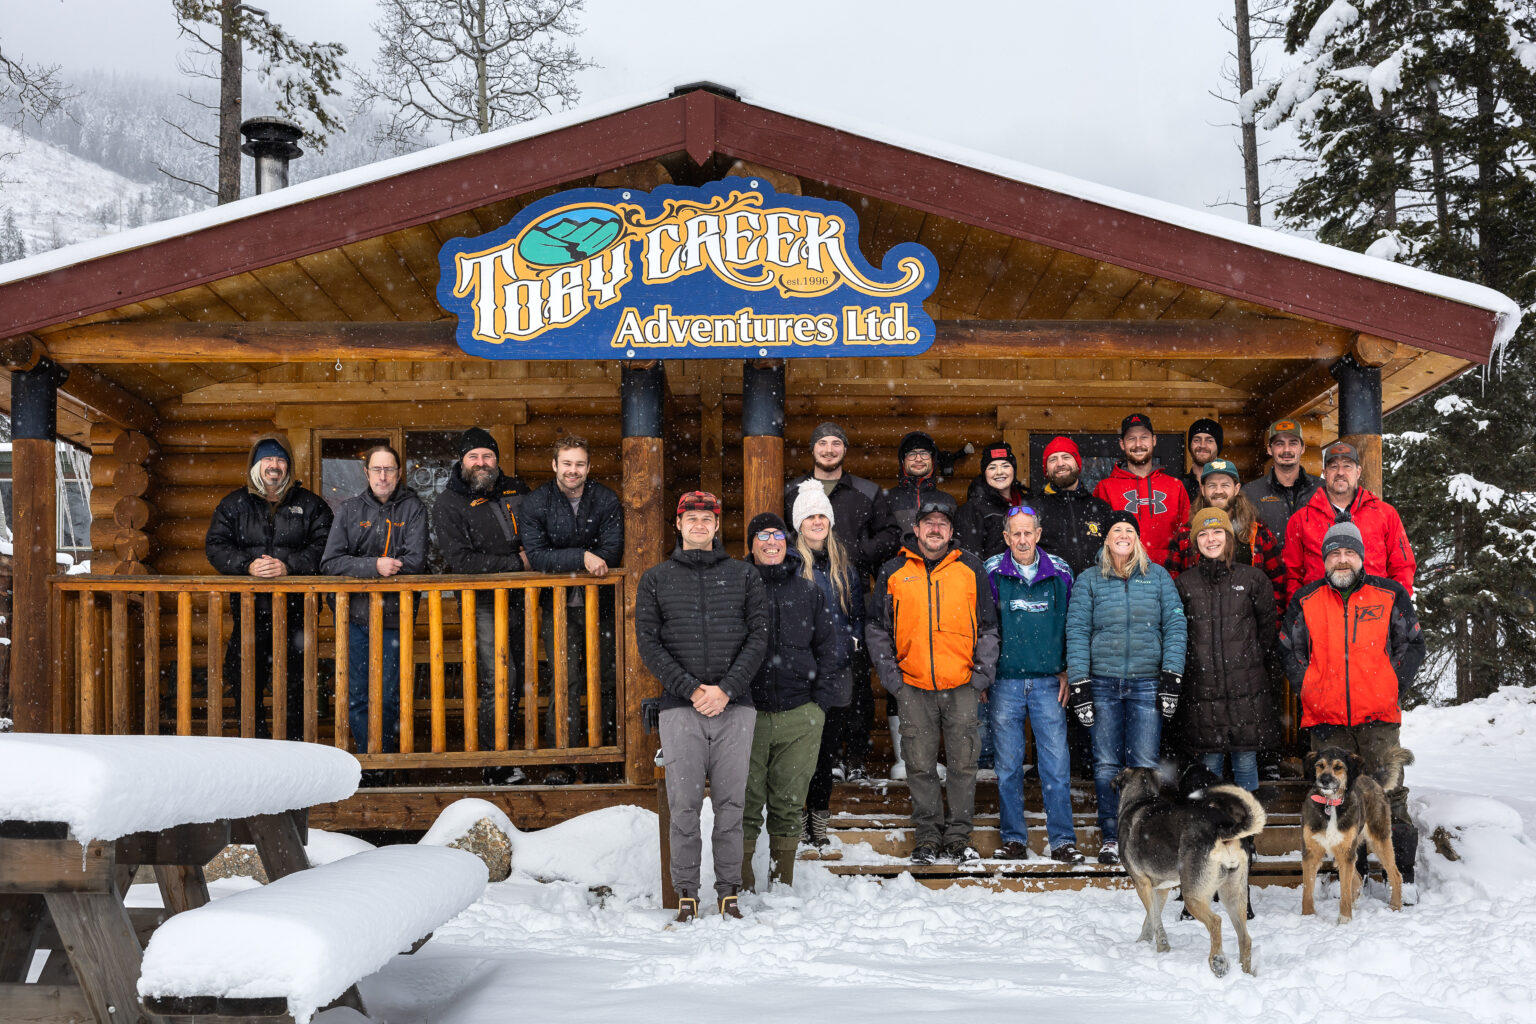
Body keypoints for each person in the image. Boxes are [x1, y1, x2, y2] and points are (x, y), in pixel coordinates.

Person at [635, 491, 769, 923]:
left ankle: (729, 891)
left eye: (705, 519)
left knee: (732, 805)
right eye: (690, 518)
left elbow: (758, 637)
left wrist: (727, 689)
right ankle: (687, 892)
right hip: (680, 708)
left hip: (736, 707)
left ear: (716, 526)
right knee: (684, 806)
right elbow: (649, 644)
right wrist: (692, 689)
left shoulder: (744, 577)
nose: (698, 525)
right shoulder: (656, 579)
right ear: (678, 525)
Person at [1281, 521, 1426, 899]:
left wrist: (1391, 684)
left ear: (1361, 557)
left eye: (1348, 553)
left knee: (1388, 794)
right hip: (1327, 719)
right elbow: (1287, 648)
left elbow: (1413, 644)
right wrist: (1309, 686)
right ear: (1324, 559)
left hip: (1377, 716)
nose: (1341, 560)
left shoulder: (1389, 593)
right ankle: (1354, 876)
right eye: (1334, 553)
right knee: (1334, 797)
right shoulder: (1307, 599)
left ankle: (1404, 877)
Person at [866, 491, 1000, 865]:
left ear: (951, 530)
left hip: (961, 685)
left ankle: (958, 838)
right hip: (913, 686)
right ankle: (927, 837)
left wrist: (981, 676)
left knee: (963, 765)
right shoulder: (895, 571)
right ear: (917, 529)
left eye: (942, 524)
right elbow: (877, 629)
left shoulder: (970, 568)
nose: (936, 529)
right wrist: (894, 679)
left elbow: (990, 627)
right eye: (929, 524)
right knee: (920, 765)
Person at [1065, 511, 1187, 865]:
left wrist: (1171, 677)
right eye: (1115, 530)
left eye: (1128, 530)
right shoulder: (1089, 580)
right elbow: (1077, 632)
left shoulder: (1158, 577)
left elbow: (1175, 629)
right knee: (1105, 764)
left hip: (1148, 683)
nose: (1122, 534)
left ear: (1138, 538)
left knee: (1144, 764)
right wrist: (1080, 684)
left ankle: (1143, 835)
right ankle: (1110, 835)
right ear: (1106, 539)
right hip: (1101, 683)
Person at [782, 422, 899, 781]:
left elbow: (891, 534)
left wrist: (856, 554)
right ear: (812, 449)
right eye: (822, 444)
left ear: (844, 450)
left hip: (852, 592)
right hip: (805, 592)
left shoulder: (865, 491)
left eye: (836, 444)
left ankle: (857, 756)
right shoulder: (793, 491)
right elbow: (782, 532)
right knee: (813, 684)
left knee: (857, 684)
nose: (829, 450)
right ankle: (823, 757)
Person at [205, 433, 332, 740]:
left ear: (288, 466)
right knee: (245, 679)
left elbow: (324, 547)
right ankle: (256, 745)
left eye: (280, 460)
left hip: (297, 615)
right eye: (268, 459)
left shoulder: (311, 505)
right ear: (256, 465)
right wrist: (246, 566)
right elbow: (216, 545)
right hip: (249, 614)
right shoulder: (234, 504)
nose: (274, 466)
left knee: (296, 684)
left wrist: (288, 566)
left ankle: (295, 746)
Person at [740, 512, 839, 892]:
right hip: (748, 714)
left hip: (801, 715)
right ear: (751, 544)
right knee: (746, 806)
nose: (771, 542)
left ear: (787, 540)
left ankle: (782, 886)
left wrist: (819, 705)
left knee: (788, 804)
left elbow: (829, 649)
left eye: (777, 535)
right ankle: (743, 889)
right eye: (762, 536)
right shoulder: (738, 587)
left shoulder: (809, 591)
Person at [518, 435, 625, 781]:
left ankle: (603, 754)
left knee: (606, 677)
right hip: (558, 605)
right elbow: (537, 557)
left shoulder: (606, 499)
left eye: (579, 464)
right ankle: (561, 759)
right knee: (566, 679)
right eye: (567, 463)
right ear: (555, 466)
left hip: (604, 606)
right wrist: (581, 556)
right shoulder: (537, 502)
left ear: (589, 467)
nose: (573, 470)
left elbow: (612, 550)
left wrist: (579, 558)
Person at [984, 505, 1084, 864]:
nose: (1023, 539)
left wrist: (1070, 668)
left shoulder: (1060, 571)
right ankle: (1013, 838)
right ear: (1006, 537)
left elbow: (1075, 624)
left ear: (1038, 534)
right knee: (1008, 767)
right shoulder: (992, 571)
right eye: (1016, 533)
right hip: (1006, 683)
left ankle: (1062, 840)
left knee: (1055, 765)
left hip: (1048, 683)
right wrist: (984, 673)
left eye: (1029, 532)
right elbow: (982, 626)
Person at [431, 427, 530, 781]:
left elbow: (535, 534)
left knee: (518, 677)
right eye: (473, 456)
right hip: (484, 602)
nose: (481, 462)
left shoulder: (516, 490)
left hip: (523, 599)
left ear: (497, 460)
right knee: (498, 676)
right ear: (462, 461)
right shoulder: (448, 503)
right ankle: (494, 760)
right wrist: (515, 563)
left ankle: (509, 750)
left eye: (487, 455)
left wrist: (525, 557)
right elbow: (462, 561)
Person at [320, 445, 428, 756]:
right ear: (366, 473)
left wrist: (378, 567)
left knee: (390, 694)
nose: (383, 476)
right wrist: (373, 566)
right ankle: (368, 758)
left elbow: (416, 561)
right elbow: (330, 562)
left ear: (398, 473)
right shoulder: (350, 510)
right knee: (358, 693)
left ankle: (387, 758)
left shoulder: (413, 509)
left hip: (395, 618)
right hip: (355, 617)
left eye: (389, 469)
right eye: (377, 470)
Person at [1172, 507, 1281, 794]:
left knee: (1245, 761)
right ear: (1195, 542)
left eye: (1217, 532)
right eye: (1203, 534)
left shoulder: (1254, 580)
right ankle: (1213, 835)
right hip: (1202, 691)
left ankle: (1247, 836)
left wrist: (1250, 662)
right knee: (1209, 767)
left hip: (1245, 688)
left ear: (1229, 537)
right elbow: (1177, 634)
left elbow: (1267, 630)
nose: (1211, 539)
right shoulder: (1184, 584)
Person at [792, 479, 865, 853]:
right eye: (810, 516)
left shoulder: (843, 568)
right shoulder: (792, 565)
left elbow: (856, 617)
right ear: (799, 524)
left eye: (822, 515)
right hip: (802, 678)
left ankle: (818, 820)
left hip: (837, 674)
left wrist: (851, 642)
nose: (817, 522)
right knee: (798, 753)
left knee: (824, 754)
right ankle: (794, 819)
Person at [1283, 440, 1416, 603]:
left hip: (1374, 612)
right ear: (1324, 472)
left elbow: (1402, 567)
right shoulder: (1301, 519)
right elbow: (1292, 576)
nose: (1340, 472)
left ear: (1358, 471)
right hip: (1320, 615)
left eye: (1347, 466)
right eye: (1333, 466)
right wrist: (1300, 614)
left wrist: (1396, 608)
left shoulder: (1385, 514)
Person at [1167, 459, 1285, 612]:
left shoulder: (1257, 532)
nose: (1218, 491)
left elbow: (1278, 584)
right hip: (1199, 628)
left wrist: (1268, 628)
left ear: (1236, 489)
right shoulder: (1185, 535)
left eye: (1225, 485)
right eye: (1212, 485)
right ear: (1202, 489)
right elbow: (1171, 591)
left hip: (1246, 629)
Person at [1093, 414, 1189, 567]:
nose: (1138, 444)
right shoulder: (1106, 488)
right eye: (1131, 438)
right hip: (1121, 575)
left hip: (1168, 573)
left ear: (1154, 440)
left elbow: (1186, 535)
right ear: (1122, 444)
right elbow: (1099, 538)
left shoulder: (1175, 486)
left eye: (1144, 437)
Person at [1034, 436, 1115, 579]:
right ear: (1046, 469)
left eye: (1066, 457)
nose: (1060, 463)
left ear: (1077, 464)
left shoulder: (1100, 507)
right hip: (1051, 590)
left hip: (1095, 593)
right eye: (1053, 459)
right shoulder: (1034, 509)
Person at [1241, 419, 1321, 555]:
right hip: (1270, 573)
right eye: (1279, 444)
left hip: (1314, 574)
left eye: (1293, 443)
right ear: (1269, 449)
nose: (1286, 450)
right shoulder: (1250, 493)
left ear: (1303, 448)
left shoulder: (1322, 489)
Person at [955, 441, 1027, 560]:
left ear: (1014, 470)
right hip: (991, 577)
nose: (999, 472)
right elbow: (970, 558)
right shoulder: (973, 509)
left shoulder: (1027, 503)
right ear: (985, 474)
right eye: (992, 467)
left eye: (1005, 465)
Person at [886, 430, 942, 539]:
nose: (918, 458)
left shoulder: (948, 501)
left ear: (932, 460)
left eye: (924, 453)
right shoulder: (886, 499)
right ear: (903, 461)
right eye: (912, 454)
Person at [1182, 418, 1224, 501]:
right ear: (1190, 445)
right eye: (1197, 440)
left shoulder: (1231, 487)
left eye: (1209, 440)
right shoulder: (1178, 486)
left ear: (1218, 446)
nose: (1202, 445)